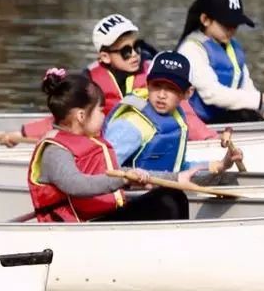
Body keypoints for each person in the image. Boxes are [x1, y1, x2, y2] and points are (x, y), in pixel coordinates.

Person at [0, 13, 214, 146]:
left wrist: (208, 138)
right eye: (125, 51)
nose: (135, 54)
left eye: (137, 46)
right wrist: (21, 134)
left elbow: (185, 111)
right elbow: (64, 118)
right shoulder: (90, 82)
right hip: (110, 146)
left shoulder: (155, 74)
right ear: (105, 56)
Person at [26, 68, 189, 223]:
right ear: (81, 116)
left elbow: (118, 172)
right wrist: (124, 180)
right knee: (168, 202)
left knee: (173, 195)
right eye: (100, 111)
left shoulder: (90, 141)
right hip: (78, 229)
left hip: (101, 219)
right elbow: (77, 185)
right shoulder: (55, 151)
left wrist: (176, 178)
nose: (104, 116)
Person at [104, 51, 243, 178]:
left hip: (161, 194)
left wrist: (222, 164)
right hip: (136, 199)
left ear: (187, 93)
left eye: (171, 89)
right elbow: (103, 169)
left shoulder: (176, 119)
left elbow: (179, 168)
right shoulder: (131, 124)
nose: (162, 95)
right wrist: (131, 175)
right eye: (157, 86)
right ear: (147, 85)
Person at [176, 0, 264, 124]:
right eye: (226, 24)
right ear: (205, 20)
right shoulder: (190, 50)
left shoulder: (232, 47)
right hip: (200, 126)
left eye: (235, 24)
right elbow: (212, 95)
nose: (232, 29)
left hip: (226, 121)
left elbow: (248, 91)